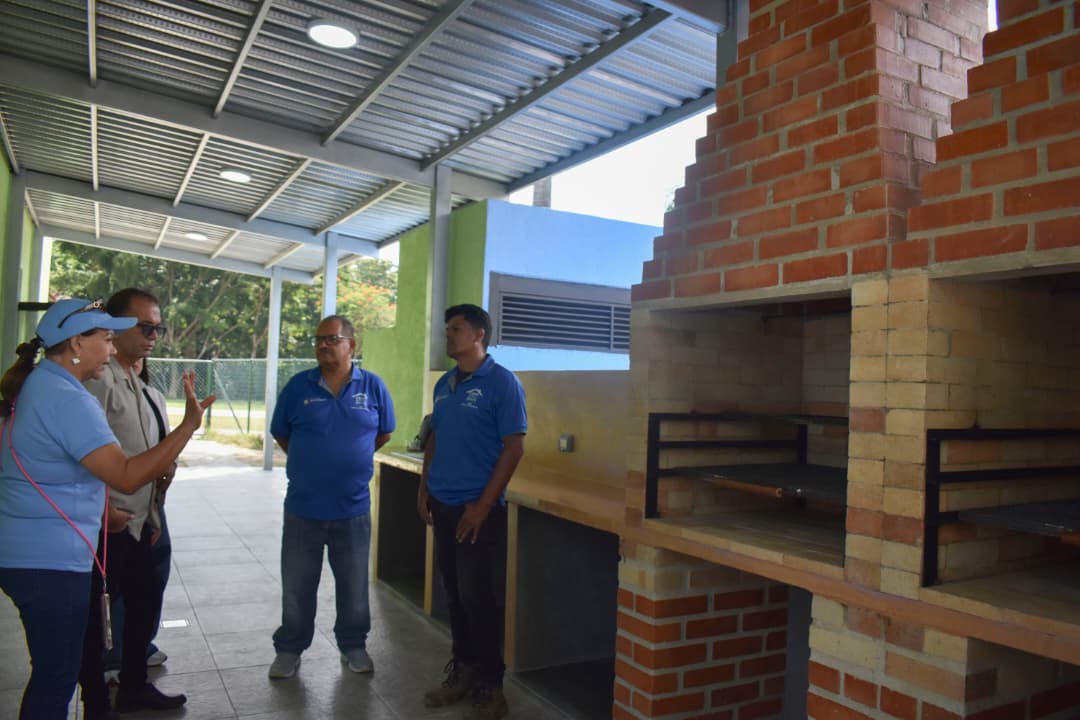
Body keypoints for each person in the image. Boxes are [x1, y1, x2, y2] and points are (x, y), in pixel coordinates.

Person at [0, 298, 213, 720]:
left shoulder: (41, 385)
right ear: (77, 342)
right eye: (107, 339)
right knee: (55, 679)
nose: (113, 349)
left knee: (54, 672)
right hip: (49, 561)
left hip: (34, 553)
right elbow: (126, 475)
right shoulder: (67, 398)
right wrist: (189, 426)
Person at [267, 315, 395, 679]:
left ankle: (353, 646)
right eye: (319, 339)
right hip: (303, 509)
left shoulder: (373, 387)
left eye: (332, 339)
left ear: (351, 345)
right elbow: (282, 434)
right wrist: (313, 462)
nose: (323, 345)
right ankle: (290, 649)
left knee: (354, 587)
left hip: (352, 509)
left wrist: (349, 460)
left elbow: (383, 433)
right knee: (297, 587)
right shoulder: (298, 386)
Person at [417, 304, 526, 720]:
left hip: (476, 510)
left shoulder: (502, 382)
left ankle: (491, 686)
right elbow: (434, 438)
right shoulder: (444, 384)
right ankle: (462, 672)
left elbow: (514, 447)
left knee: (478, 598)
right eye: (447, 328)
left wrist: (483, 505)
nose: (448, 334)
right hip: (443, 505)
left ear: (479, 334)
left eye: (457, 328)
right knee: (455, 594)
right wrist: (424, 488)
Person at [78, 288, 183, 715]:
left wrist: (153, 511)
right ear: (116, 327)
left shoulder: (138, 385)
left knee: (144, 602)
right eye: (145, 327)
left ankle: (134, 685)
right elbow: (82, 454)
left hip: (139, 520)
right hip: (108, 522)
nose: (153, 335)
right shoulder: (99, 382)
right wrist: (104, 509)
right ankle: (96, 700)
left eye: (157, 328)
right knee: (95, 617)